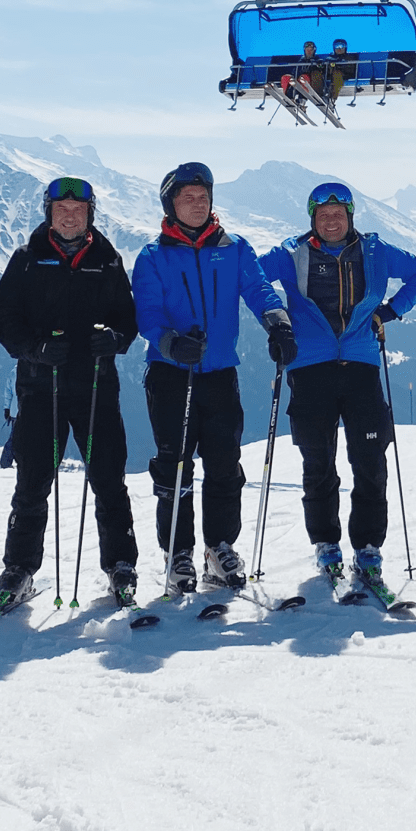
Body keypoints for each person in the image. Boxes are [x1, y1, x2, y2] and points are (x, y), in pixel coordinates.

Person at [260, 181, 416, 597]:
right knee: (318, 462)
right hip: (311, 365)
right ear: (312, 219)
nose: (332, 220)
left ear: (351, 216)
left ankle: (368, 546)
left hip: (359, 364)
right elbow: (252, 280)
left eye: (339, 213)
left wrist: (391, 311)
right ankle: (326, 543)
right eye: (323, 214)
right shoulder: (291, 253)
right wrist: (278, 321)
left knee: (370, 461)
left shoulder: (374, 251)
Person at [134, 162, 293, 594]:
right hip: (170, 375)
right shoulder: (153, 256)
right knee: (174, 468)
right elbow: (146, 314)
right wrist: (170, 342)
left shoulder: (235, 247)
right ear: (171, 204)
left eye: (203, 197)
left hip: (220, 374)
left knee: (225, 466)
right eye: (188, 197)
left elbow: (259, 290)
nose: (197, 203)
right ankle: (177, 552)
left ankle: (218, 546)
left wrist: (278, 323)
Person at [0, 177, 142, 612]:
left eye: (77, 209)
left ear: (90, 214)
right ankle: (19, 568)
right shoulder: (27, 259)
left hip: (95, 387)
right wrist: (33, 350)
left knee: (109, 481)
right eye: (61, 209)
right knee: (32, 484)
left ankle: (121, 565)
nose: (69, 215)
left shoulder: (107, 259)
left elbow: (129, 319)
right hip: (41, 387)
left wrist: (116, 338)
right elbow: (2, 316)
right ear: (48, 213)